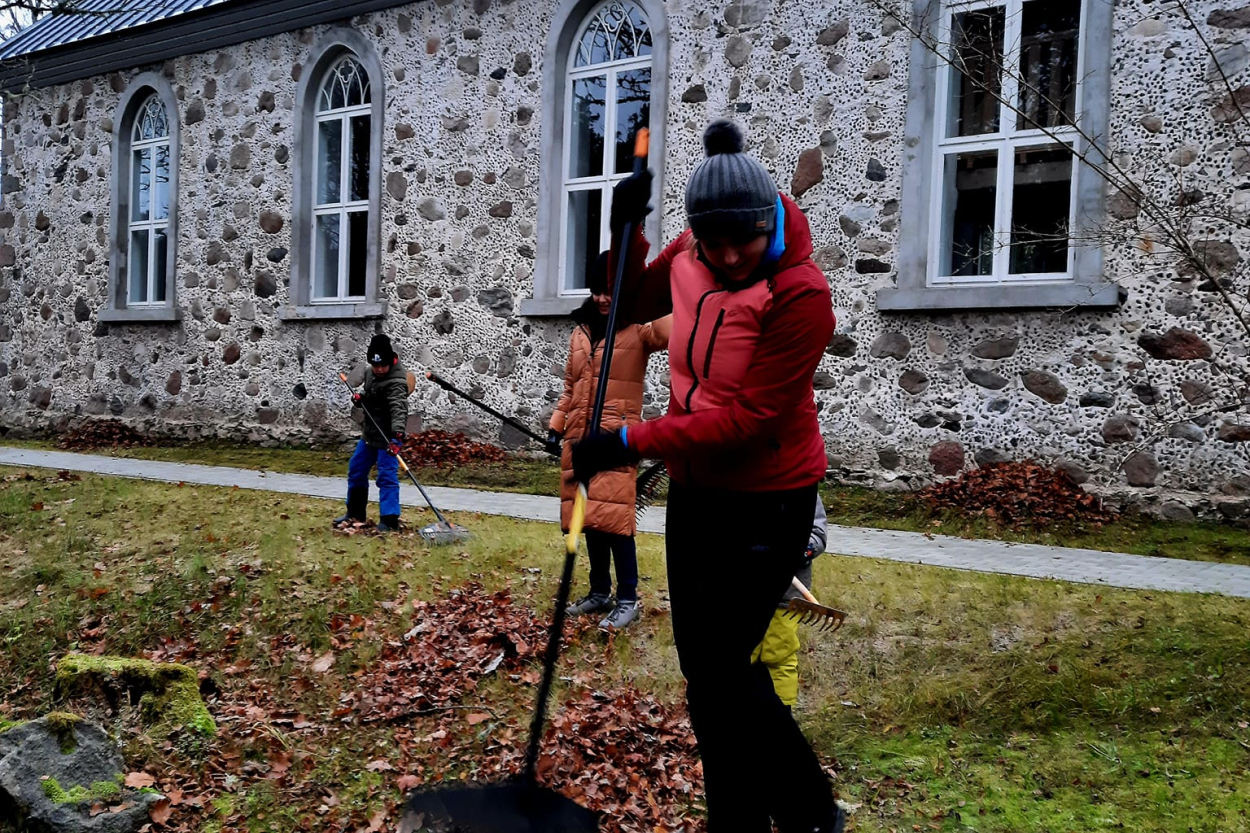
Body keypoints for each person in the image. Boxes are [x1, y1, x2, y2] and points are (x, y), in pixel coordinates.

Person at [571, 120, 844, 832]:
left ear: (770, 220)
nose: (725, 256)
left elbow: (747, 419)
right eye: (712, 240)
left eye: (742, 241)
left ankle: (812, 810)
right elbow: (626, 300)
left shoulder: (802, 295)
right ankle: (737, 817)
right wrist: (624, 228)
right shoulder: (694, 250)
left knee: (725, 667)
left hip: (769, 500)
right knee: (705, 674)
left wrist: (629, 439)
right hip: (697, 494)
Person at [548, 251, 671, 630]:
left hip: (616, 438)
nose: (602, 298)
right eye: (597, 291)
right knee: (589, 518)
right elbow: (571, 386)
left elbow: (668, 332)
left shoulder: (637, 328)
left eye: (609, 291)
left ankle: (628, 598)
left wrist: (651, 296)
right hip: (580, 439)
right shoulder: (580, 331)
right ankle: (599, 592)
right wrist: (556, 426)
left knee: (617, 521)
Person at [753, 496, 828, 712]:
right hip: (746, 592)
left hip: (787, 596)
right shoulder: (742, 484)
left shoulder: (803, 492)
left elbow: (818, 533)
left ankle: (780, 713)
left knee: (779, 652)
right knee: (743, 652)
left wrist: (800, 551)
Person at [334, 333, 410, 533]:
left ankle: (390, 519)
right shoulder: (370, 373)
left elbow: (398, 408)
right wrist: (361, 399)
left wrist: (398, 436)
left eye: (382, 366)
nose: (379, 370)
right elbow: (372, 396)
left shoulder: (397, 381)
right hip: (370, 434)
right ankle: (355, 513)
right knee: (356, 469)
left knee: (386, 476)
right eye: (375, 366)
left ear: (391, 360)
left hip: (388, 438)